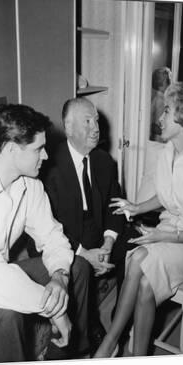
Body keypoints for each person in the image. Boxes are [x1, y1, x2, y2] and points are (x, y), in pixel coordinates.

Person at [94, 81, 183, 357]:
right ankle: (138, 357)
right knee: (145, 283)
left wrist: (162, 236)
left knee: (138, 259)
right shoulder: (166, 154)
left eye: (166, 111)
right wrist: (136, 207)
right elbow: (165, 197)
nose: (160, 118)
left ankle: (111, 341)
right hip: (166, 231)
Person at [0, 103, 90, 363]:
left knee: (80, 268)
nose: (46, 156)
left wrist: (60, 277)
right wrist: (54, 308)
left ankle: (64, 356)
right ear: (11, 149)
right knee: (5, 313)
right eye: (38, 149)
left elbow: (52, 236)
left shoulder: (30, 185)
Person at [44, 98, 126, 350]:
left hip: (97, 229)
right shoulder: (49, 166)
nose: (96, 128)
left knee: (132, 248)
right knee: (78, 266)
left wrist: (109, 242)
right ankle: (87, 328)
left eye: (97, 121)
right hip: (66, 234)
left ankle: (120, 317)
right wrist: (84, 253)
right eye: (87, 121)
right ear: (68, 128)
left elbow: (116, 206)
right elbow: (51, 226)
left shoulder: (104, 162)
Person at [150, 67, 172, 141]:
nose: (170, 83)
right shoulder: (160, 100)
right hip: (159, 138)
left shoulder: (160, 98)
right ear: (160, 83)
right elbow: (155, 122)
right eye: (168, 81)